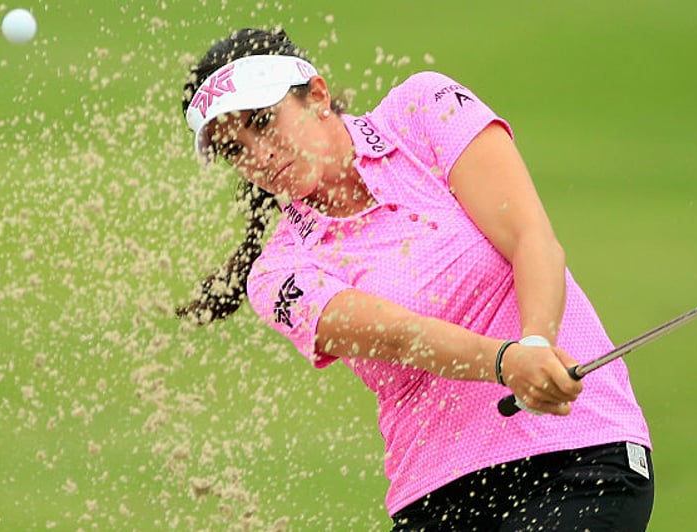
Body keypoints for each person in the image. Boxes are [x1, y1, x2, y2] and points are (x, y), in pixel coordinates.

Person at [176, 27, 654, 531]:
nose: (260, 156)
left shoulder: (422, 109)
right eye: (235, 149)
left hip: (575, 454)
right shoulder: (278, 273)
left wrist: (536, 340)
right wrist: (506, 360)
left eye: (263, 123)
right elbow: (403, 336)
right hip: (436, 496)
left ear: (316, 95)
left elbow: (529, 237)